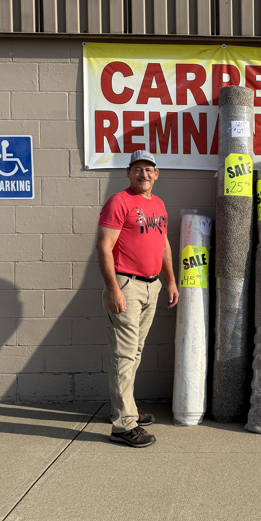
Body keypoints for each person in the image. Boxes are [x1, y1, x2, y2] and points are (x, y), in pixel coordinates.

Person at [96, 150, 179, 447]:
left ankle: (126, 408)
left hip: (151, 286)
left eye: (149, 169)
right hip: (126, 285)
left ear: (157, 174)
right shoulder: (119, 202)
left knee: (136, 352)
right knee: (123, 355)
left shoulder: (158, 204)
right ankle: (123, 426)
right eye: (138, 169)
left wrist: (170, 281)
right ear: (129, 173)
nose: (144, 174)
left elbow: (163, 245)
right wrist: (114, 289)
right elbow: (104, 247)